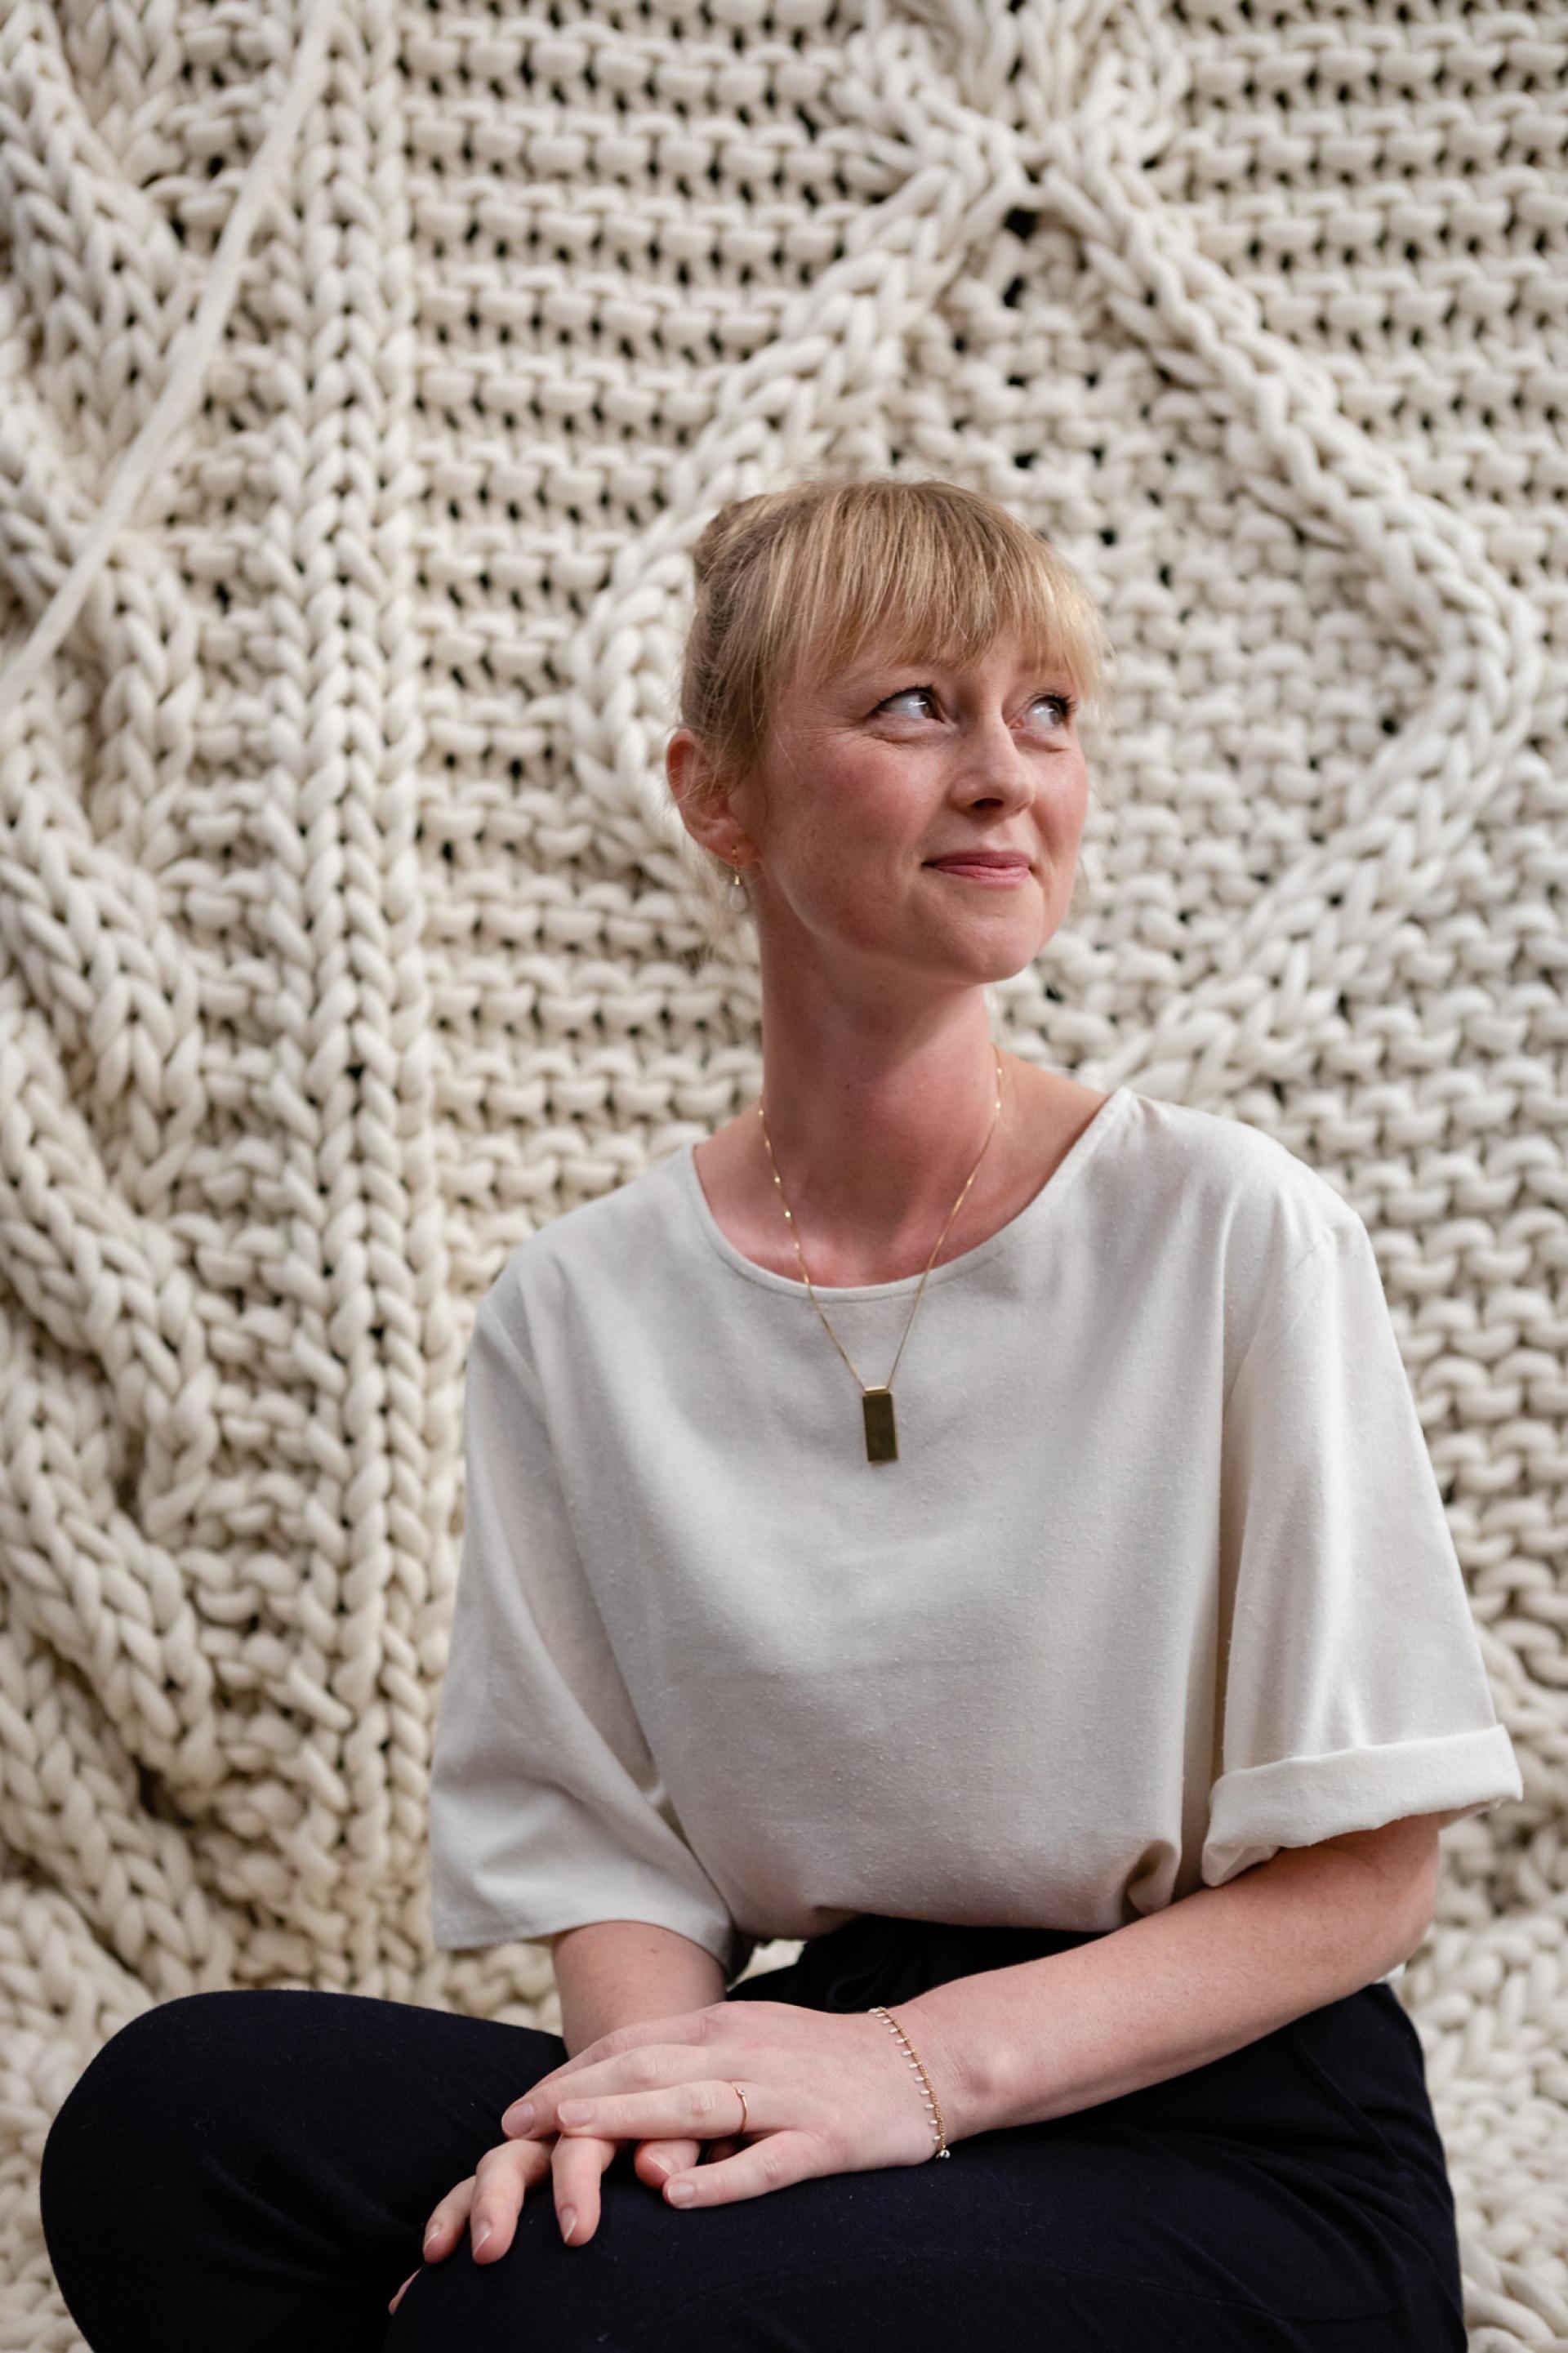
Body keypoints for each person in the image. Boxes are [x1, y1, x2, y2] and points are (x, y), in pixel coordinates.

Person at [39, 475, 1521, 2352]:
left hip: (1231, 2130)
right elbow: (613, 1856)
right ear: (714, 792)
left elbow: (1371, 1871)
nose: (1007, 774)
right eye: (918, 705)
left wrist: (897, 2081)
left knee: (555, 2324)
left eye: (1046, 710)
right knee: (176, 2128)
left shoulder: (1234, 1231)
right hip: (812, 2053)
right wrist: (631, 2128)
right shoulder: (581, 1313)